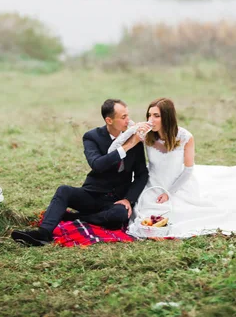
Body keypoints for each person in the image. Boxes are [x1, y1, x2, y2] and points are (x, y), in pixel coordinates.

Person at [108, 98, 236, 238]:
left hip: (178, 185)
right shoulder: (146, 135)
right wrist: (134, 130)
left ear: (167, 118)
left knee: (186, 214)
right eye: (149, 115)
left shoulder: (185, 137)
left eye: (156, 116)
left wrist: (170, 193)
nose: (151, 120)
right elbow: (113, 149)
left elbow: (187, 170)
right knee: (144, 214)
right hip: (154, 183)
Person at [11, 98, 148, 246]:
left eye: (128, 115)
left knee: (119, 215)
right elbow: (97, 165)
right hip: (92, 194)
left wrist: (128, 199)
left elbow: (142, 174)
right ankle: (43, 234)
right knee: (63, 190)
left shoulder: (134, 139)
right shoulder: (92, 137)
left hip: (115, 201)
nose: (129, 121)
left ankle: (77, 217)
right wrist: (127, 146)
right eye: (123, 117)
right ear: (109, 120)